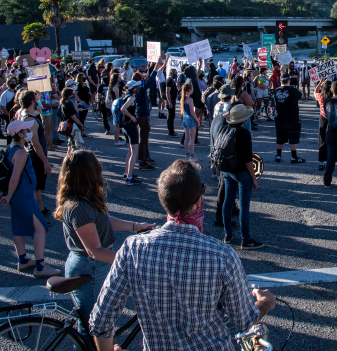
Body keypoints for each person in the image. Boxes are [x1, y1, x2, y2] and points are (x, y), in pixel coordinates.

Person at [88, 159, 276, 351]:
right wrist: (265, 303)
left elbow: (101, 320)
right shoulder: (222, 255)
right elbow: (245, 321)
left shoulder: (133, 249)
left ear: (164, 202)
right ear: (199, 202)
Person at [54, 150, 154, 336]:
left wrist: (136, 226)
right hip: (90, 267)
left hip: (92, 265)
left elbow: (105, 221)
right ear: (89, 173)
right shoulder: (79, 207)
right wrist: (129, 261)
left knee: (93, 324)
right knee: (93, 328)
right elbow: (95, 251)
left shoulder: (84, 200)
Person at [0, 120, 61, 277]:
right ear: (19, 134)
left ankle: (23, 260)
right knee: (41, 228)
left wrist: (7, 194)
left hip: (18, 195)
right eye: (26, 130)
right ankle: (40, 267)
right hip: (23, 195)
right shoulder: (20, 152)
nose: (29, 132)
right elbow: (14, 178)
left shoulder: (11, 148)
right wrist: (9, 195)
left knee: (18, 227)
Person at [218, 104, 264, 248]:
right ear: (244, 119)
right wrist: (254, 178)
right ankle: (246, 239)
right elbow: (248, 159)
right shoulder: (244, 133)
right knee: (244, 205)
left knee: (228, 201)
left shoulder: (224, 129)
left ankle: (228, 234)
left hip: (227, 169)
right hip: (241, 171)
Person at [17, 91, 52, 216]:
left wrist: (38, 97)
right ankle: (36, 214)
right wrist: (45, 162)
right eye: (35, 100)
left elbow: (38, 110)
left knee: (37, 186)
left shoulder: (24, 113)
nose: (37, 101)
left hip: (32, 154)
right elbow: (35, 143)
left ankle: (40, 208)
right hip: (36, 156)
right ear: (32, 102)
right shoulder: (30, 120)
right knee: (34, 187)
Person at [274, 73, 305, 164]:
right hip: (291, 117)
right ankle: (294, 157)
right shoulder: (293, 90)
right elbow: (301, 96)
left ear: (280, 81)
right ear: (289, 81)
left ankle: (278, 155)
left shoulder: (276, 90)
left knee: (280, 136)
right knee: (292, 136)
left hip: (279, 117)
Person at [119, 80, 142, 184]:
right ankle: (129, 177)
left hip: (125, 125)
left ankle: (126, 173)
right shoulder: (131, 97)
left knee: (130, 151)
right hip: (131, 126)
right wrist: (132, 116)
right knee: (134, 152)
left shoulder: (126, 96)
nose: (137, 89)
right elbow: (123, 109)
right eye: (136, 87)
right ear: (133, 88)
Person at [58, 87, 84, 153]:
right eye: (72, 94)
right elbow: (73, 117)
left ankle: (68, 156)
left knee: (70, 143)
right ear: (69, 95)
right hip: (71, 125)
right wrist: (80, 124)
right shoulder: (68, 103)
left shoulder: (63, 102)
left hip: (66, 124)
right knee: (73, 145)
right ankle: (71, 159)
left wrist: (77, 109)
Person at [315, 79, 332, 172]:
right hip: (333, 119)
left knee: (322, 141)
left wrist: (320, 83)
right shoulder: (333, 97)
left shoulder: (320, 96)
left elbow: (315, 92)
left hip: (323, 118)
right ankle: (334, 160)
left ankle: (321, 162)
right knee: (334, 141)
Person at [180, 83, 200, 162]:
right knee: (192, 138)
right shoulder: (190, 99)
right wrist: (198, 120)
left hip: (185, 118)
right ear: (189, 90)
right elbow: (192, 112)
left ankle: (187, 154)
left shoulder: (183, 98)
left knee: (187, 137)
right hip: (190, 119)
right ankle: (192, 155)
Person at [165, 66, 179, 138]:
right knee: (170, 116)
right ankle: (171, 131)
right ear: (171, 73)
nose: (176, 74)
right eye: (175, 73)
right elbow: (167, 92)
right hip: (170, 100)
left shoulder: (172, 80)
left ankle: (172, 130)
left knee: (172, 116)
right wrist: (169, 102)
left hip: (173, 100)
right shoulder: (169, 80)